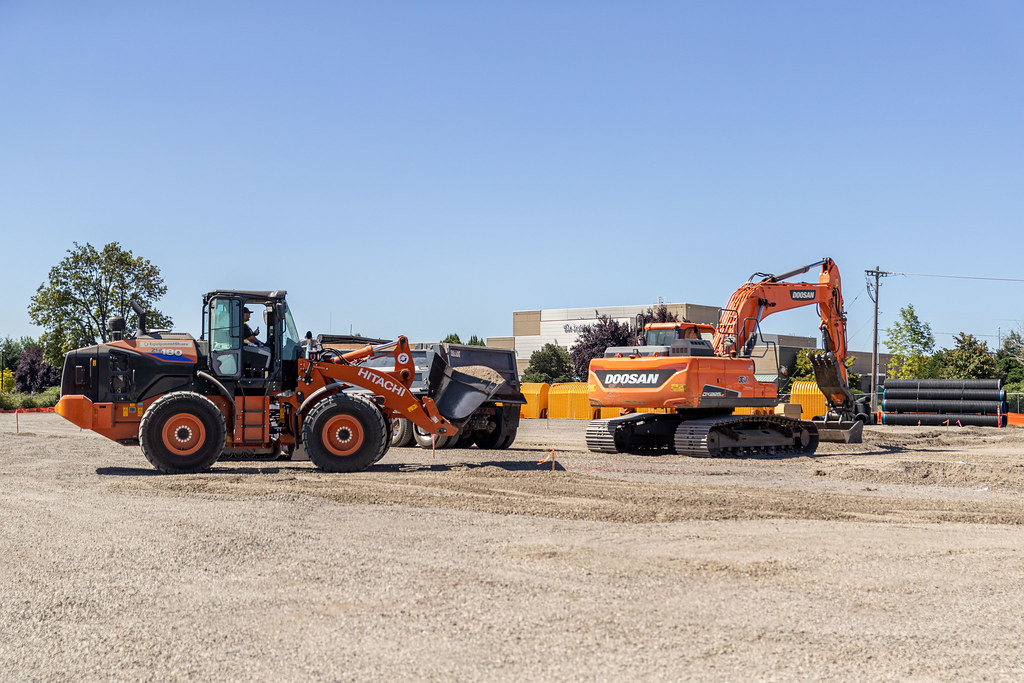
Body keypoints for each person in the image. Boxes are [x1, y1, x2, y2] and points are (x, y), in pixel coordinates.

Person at [242, 307, 271, 372]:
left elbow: (247, 336)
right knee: (267, 351)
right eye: (248, 314)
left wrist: (254, 334)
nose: (249, 316)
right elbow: (250, 338)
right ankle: (265, 371)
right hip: (244, 348)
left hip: (245, 346)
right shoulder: (242, 325)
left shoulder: (243, 324)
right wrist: (260, 343)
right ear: (244, 314)